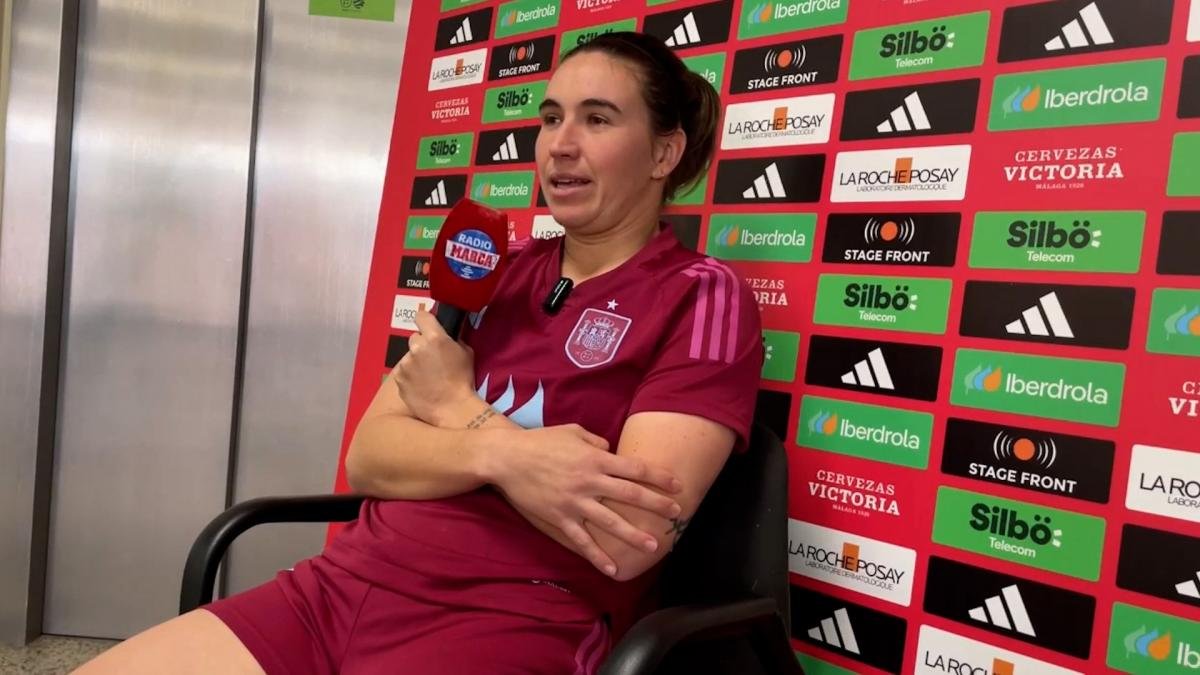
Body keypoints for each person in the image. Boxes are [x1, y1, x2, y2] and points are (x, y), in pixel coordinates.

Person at [76, 31, 763, 675]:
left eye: (598, 119)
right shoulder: (493, 269)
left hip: (513, 617)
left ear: (664, 154)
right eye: (552, 118)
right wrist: (511, 457)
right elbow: (371, 456)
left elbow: (627, 536)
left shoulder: (702, 296)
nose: (560, 144)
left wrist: (455, 408)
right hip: (339, 587)